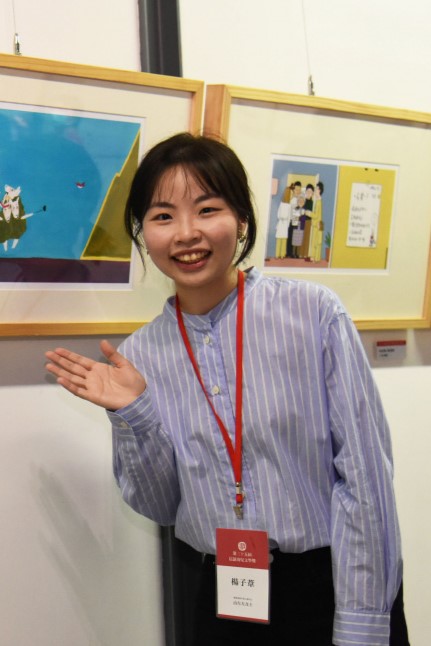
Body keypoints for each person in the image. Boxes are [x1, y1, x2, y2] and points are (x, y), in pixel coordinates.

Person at [45, 132, 409, 646]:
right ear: (142, 232)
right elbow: (161, 506)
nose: (186, 234)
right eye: (163, 216)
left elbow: (366, 480)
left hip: (332, 586)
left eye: (207, 209)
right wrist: (134, 413)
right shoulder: (140, 356)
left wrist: (360, 625)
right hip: (222, 596)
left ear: (240, 219)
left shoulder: (313, 315)